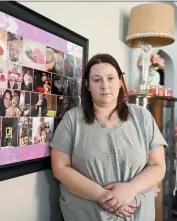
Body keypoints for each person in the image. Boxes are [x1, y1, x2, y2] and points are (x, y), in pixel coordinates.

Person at [50, 54, 167, 221]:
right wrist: (102, 196)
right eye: (97, 80)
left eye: (110, 78)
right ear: (87, 85)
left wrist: (131, 189)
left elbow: (157, 165)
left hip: (138, 214)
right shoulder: (72, 119)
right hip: (85, 214)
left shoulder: (143, 116)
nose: (105, 85)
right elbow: (60, 168)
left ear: (120, 81)